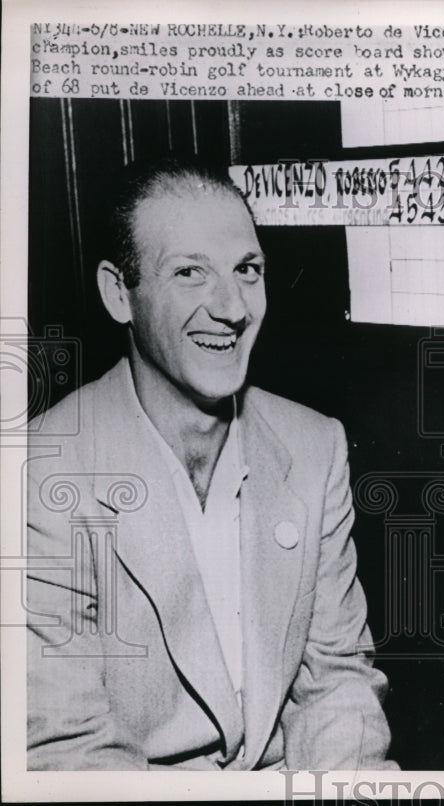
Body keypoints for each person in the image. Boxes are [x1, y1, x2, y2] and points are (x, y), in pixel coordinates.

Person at [25, 157, 396, 770]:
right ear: (120, 293)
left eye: (247, 270)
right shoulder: (44, 472)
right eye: (190, 273)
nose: (232, 307)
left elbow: (339, 687)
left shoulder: (313, 447)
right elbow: (67, 752)